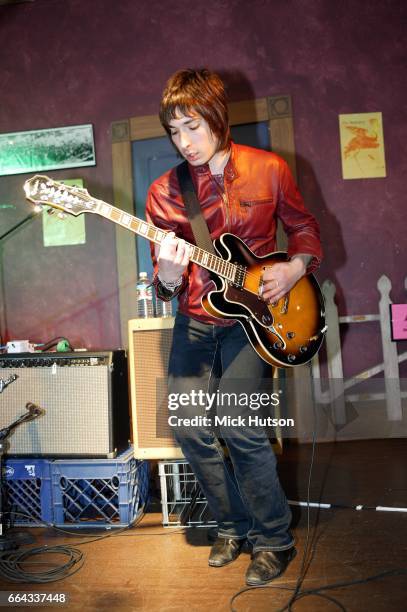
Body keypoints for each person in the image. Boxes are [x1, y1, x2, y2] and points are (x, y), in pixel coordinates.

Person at [146, 68, 322, 585]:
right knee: (188, 426)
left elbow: (305, 228)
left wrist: (294, 267)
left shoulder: (269, 169)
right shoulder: (165, 191)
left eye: (193, 127)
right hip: (197, 321)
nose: (185, 142)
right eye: (174, 132)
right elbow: (164, 285)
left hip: (257, 321)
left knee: (240, 426)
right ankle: (232, 524)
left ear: (218, 117)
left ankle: (274, 538)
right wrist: (169, 276)